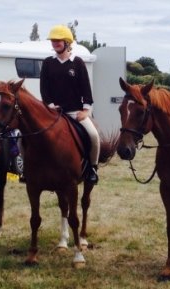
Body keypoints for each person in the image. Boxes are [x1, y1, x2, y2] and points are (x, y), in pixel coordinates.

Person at [40, 24, 100, 184]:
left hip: (74, 111)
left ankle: (92, 168)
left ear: (67, 42)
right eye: (53, 41)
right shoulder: (47, 63)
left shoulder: (78, 63)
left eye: (58, 41)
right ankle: (30, 169)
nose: (55, 43)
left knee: (93, 136)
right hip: (53, 112)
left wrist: (86, 110)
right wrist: (50, 105)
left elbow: (86, 89)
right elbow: (44, 90)